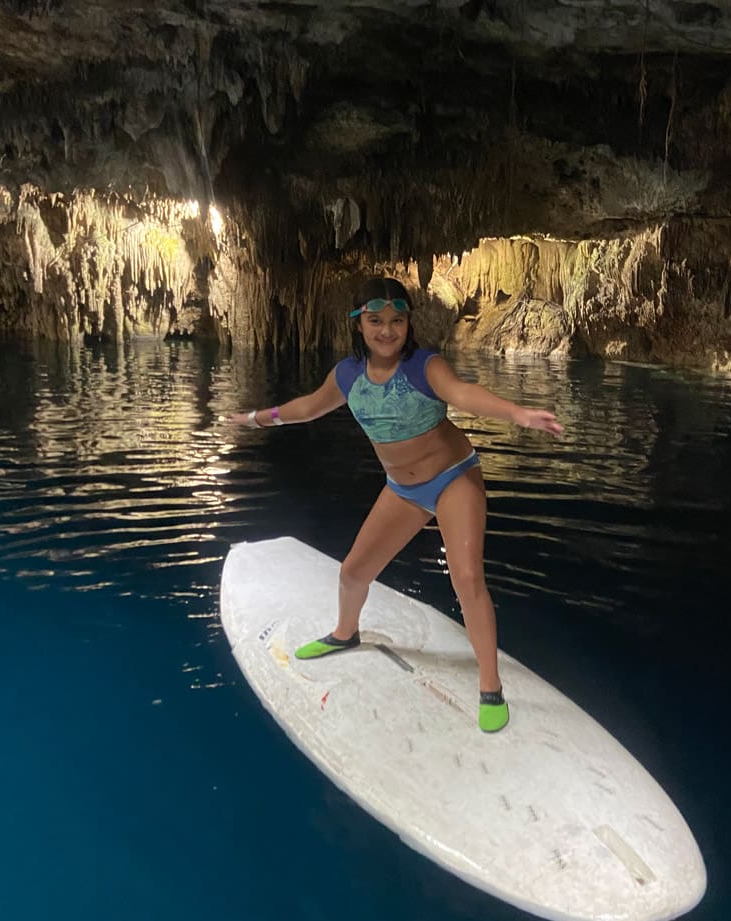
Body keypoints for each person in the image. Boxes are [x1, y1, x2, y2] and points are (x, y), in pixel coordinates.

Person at [231, 277, 563, 732]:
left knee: (466, 578)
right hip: (403, 490)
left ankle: (490, 685)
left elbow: (463, 394)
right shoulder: (348, 375)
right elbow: (308, 408)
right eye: (375, 321)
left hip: (453, 479)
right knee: (352, 572)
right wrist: (256, 418)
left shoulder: (425, 366)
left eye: (397, 320)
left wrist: (518, 414)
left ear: (408, 324)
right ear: (359, 324)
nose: (387, 330)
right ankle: (346, 634)